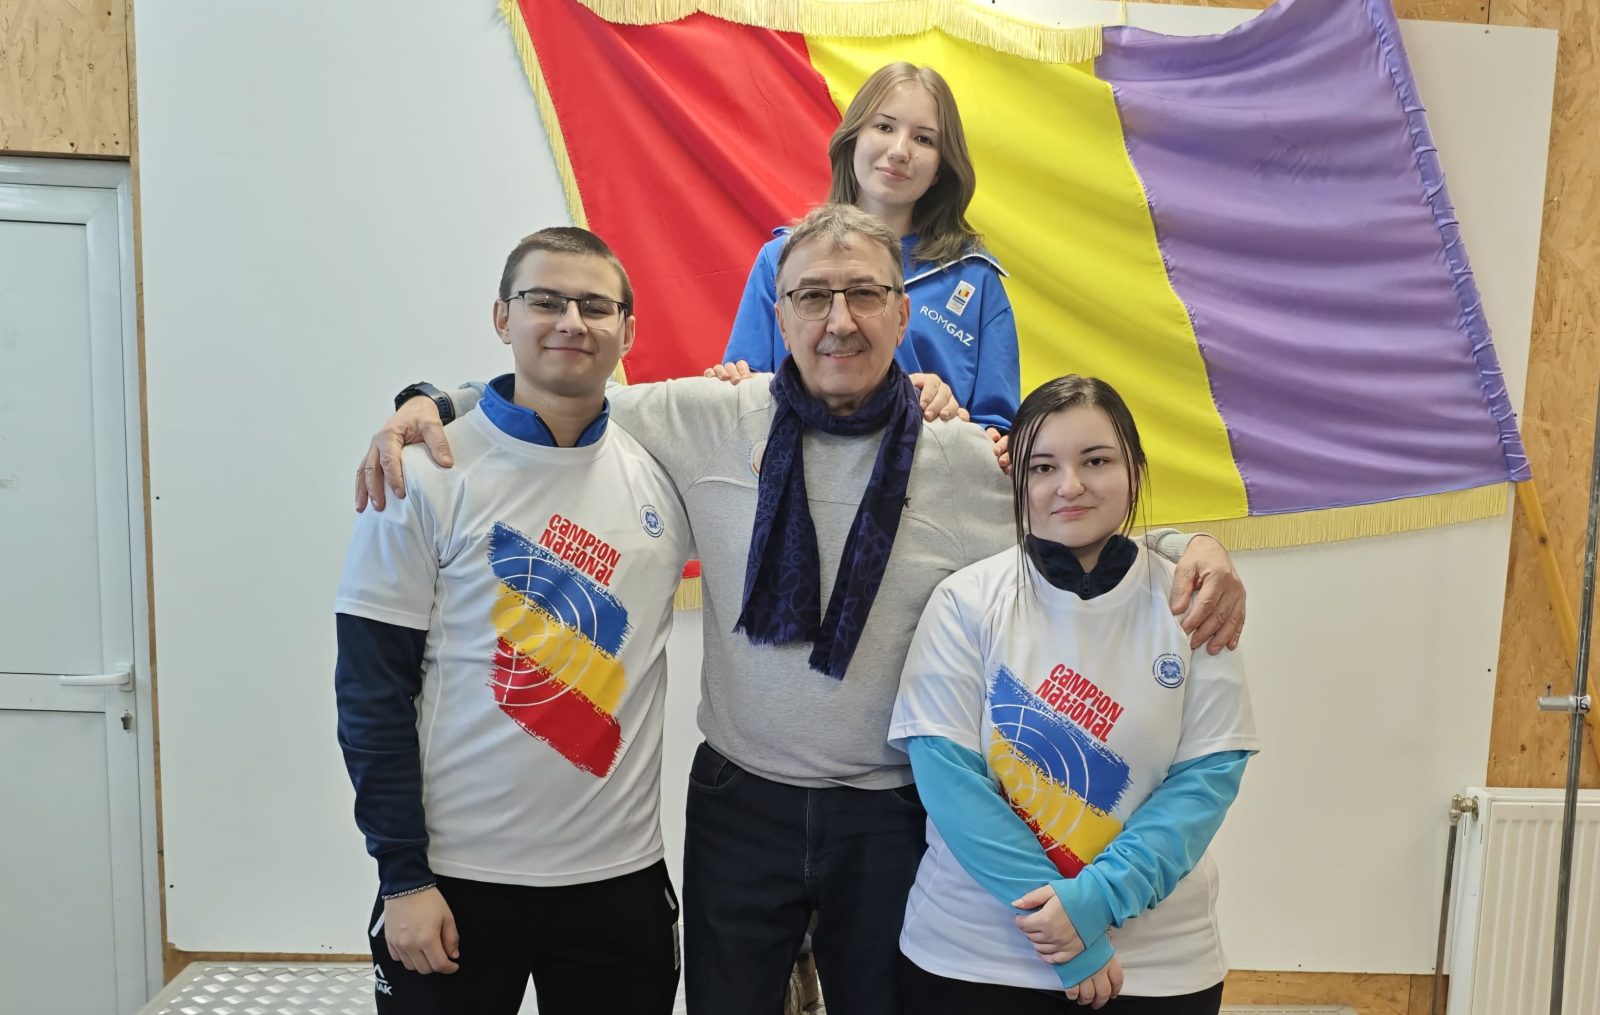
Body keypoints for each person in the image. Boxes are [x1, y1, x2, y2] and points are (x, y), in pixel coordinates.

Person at [355, 204, 1246, 1015]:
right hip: (740, 802)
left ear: (902, 312)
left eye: (864, 294)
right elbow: (560, 385)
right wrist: (432, 404)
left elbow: (1074, 508)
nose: (838, 319)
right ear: (778, 315)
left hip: (889, 814)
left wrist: (1188, 548)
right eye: (813, 296)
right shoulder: (704, 416)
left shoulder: (963, 459)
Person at [334, 227, 693, 1014]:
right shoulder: (422, 473)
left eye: (595, 306)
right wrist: (403, 876)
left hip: (619, 882)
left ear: (628, 330)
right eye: (545, 300)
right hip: (454, 882)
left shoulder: (665, 472)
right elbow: (370, 693)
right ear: (503, 317)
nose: (571, 321)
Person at [889, 375, 1258, 1013]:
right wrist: (1067, 938)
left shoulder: (1194, 603)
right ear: (1017, 482)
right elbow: (949, 781)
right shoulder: (964, 601)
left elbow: (1205, 780)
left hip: (1157, 965)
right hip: (975, 957)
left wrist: (1096, 902)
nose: (1070, 485)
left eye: (1096, 461)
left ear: (1136, 471)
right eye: (1043, 467)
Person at [710, 62, 1020, 432]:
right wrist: (729, 387)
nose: (900, 151)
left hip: (927, 467)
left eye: (924, 139)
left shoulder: (974, 279)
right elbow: (744, 409)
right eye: (885, 127)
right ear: (853, 137)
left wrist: (956, 422)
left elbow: (997, 433)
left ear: (941, 166)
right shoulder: (780, 260)